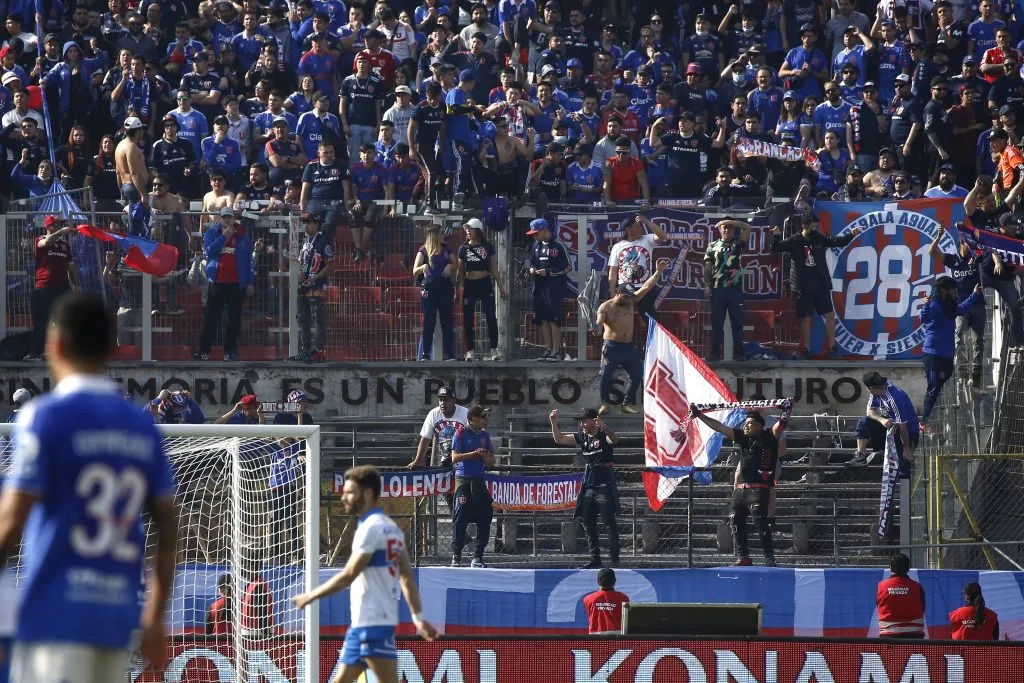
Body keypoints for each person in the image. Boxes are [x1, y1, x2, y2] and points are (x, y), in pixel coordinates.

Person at [0, 292, 178, 681]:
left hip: (54, 619)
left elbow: (10, 524)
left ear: (55, 344)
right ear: (110, 348)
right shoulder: (141, 426)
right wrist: (155, 616)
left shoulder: (44, 417)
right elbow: (167, 527)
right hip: (115, 622)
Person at [292, 466, 437, 683]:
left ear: (367, 494)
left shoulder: (370, 528)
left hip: (372, 625)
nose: (344, 498)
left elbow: (349, 574)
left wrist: (310, 596)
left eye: (349, 492)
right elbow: (406, 577)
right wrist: (418, 618)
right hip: (365, 624)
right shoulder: (392, 528)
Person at [693, 401, 792, 567]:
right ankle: (743, 557)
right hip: (740, 490)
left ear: (760, 426)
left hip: (759, 489)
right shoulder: (743, 438)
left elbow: (781, 424)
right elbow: (719, 427)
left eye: (750, 424)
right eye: (745, 424)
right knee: (735, 522)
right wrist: (699, 415)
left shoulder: (769, 436)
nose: (746, 426)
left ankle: (769, 558)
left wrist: (787, 410)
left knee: (761, 524)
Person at [771, 214, 862, 358]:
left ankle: (832, 348)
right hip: (803, 286)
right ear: (804, 226)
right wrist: (776, 235)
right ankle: (806, 349)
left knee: (830, 315)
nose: (815, 229)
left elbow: (837, 241)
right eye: (813, 226)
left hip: (821, 284)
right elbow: (776, 248)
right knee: (806, 317)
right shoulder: (795, 240)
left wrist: (851, 234)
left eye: (816, 226)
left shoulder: (818, 238)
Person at [550, 408, 620, 569]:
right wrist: (553, 422)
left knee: (609, 522)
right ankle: (595, 558)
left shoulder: (603, 434)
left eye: (585, 420)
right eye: (581, 421)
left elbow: (614, 439)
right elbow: (559, 439)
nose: (582, 424)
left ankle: (614, 558)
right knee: (588, 522)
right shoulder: (582, 436)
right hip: (588, 485)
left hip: (604, 486)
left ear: (594, 421)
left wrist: (605, 427)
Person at [596, 262, 668, 415]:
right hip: (611, 347)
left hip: (628, 347)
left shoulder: (630, 302)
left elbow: (646, 287)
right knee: (605, 375)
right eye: (625, 296)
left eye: (630, 297)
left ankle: (626, 403)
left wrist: (658, 272)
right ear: (617, 293)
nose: (629, 300)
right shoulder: (606, 307)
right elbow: (599, 323)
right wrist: (596, 328)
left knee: (637, 375)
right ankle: (604, 403)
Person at [919, 276, 984, 431]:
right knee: (934, 386)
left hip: (947, 354)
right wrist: (925, 306)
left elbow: (962, 309)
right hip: (933, 353)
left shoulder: (951, 305)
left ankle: (934, 415)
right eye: (953, 291)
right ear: (943, 290)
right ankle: (925, 421)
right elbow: (924, 318)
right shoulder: (933, 304)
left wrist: (975, 294)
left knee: (944, 380)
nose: (955, 294)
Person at [194, 206, 255, 362]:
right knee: (211, 318)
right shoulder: (212, 233)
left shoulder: (243, 237)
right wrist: (224, 237)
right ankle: (204, 352)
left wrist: (250, 282)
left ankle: (230, 352)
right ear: (220, 219)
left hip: (236, 284)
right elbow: (209, 252)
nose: (227, 220)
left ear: (234, 219)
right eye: (224, 217)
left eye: (230, 217)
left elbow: (249, 262)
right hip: (217, 283)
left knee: (234, 320)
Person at [930, 227, 986, 389]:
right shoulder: (953, 260)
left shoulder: (977, 258)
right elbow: (932, 252)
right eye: (967, 243)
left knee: (978, 341)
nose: (970, 245)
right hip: (961, 306)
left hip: (978, 304)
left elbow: (989, 251)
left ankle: (976, 373)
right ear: (962, 243)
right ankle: (962, 371)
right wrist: (938, 236)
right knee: (959, 336)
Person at [449, 405, 495, 567]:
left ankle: (478, 556)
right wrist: (474, 454)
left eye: (485, 416)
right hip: (464, 480)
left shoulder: (485, 436)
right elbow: (454, 458)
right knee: (461, 517)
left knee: (485, 515)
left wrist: (483, 456)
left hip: (479, 480)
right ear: (472, 418)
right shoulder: (460, 433)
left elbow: (491, 461)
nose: (485, 419)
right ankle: (456, 554)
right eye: (482, 416)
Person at [27, 215, 79, 360]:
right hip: (44, 287)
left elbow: (71, 266)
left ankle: (68, 352)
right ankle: (36, 353)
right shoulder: (40, 239)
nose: (59, 226)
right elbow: (45, 243)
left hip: (63, 287)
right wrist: (62, 231)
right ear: (48, 226)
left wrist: (76, 285)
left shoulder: (65, 245)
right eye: (56, 225)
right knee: (41, 320)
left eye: (61, 224)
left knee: (68, 320)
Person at [457, 218, 505, 361]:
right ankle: (470, 350)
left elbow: (494, 269)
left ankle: (493, 349)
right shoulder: (463, 248)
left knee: (491, 316)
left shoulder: (488, 247)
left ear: (478, 230)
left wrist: (501, 287)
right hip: (470, 285)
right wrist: (457, 288)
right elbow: (460, 271)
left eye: (470, 229)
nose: (468, 231)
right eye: (466, 229)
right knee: (468, 318)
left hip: (484, 283)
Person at [704, 218, 752, 361]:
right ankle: (715, 352)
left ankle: (739, 353)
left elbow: (747, 228)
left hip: (734, 289)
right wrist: (707, 285)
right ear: (719, 230)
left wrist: (731, 221)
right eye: (724, 228)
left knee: (737, 322)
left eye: (730, 228)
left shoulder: (738, 243)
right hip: (718, 289)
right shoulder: (712, 245)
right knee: (717, 322)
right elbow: (708, 267)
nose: (727, 230)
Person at [289, 212, 333, 363]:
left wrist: (314, 279)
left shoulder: (323, 242)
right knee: (303, 320)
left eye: (308, 223)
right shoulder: (305, 241)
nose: (305, 226)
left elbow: (330, 265)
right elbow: (302, 262)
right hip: (304, 287)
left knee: (318, 320)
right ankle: (306, 350)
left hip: (317, 287)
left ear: (316, 223)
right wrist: (301, 273)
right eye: (304, 223)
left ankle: (319, 351)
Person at [851, 372, 920, 470]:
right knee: (864, 421)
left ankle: (906, 473)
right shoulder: (875, 394)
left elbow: (902, 426)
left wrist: (906, 448)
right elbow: (869, 412)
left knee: (903, 465)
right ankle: (860, 455)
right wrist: (882, 420)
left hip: (907, 434)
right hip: (891, 430)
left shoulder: (894, 398)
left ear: (870, 388)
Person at [607, 214, 669, 322]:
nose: (641, 228)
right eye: (637, 226)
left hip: (645, 288)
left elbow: (662, 236)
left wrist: (646, 221)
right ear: (628, 229)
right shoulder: (617, 247)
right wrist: (612, 292)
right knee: (622, 321)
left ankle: (651, 339)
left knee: (650, 320)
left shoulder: (646, 239)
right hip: (624, 289)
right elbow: (613, 272)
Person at [527, 218, 571, 361]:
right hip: (539, 286)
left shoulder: (558, 245)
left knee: (554, 319)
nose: (534, 236)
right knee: (543, 318)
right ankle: (548, 349)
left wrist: (549, 272)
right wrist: (532, 269)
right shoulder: (536, 245)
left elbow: (568, 267)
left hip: (554, 287)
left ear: (545, 231)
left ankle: (556, 352)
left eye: (536, 233)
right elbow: (531, 262)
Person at [413, 227, 457, 362]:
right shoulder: (423, 250)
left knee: (447, 320)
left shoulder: (446, 248)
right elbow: (414, 270)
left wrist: (450, 266)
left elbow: (456, 264)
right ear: (434, 235)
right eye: (441, 233)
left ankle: (449, 354)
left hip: (444, 286)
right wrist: (423, 267)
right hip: (429, 287)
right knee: (429, 320)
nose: (443, 235)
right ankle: (426, 353)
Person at [407, 387, 469, 470]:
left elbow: (475, 436)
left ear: (454, 401)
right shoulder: (434, 414)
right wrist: (417, 461)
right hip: (441, 461)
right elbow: (425, 439)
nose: (442, 403)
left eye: (446, 400)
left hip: (463, 462)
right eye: (440, 400)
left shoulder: (465, 413)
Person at [875, 553, 926, 638]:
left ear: (891, 568)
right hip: (914, 636)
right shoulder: (917, 587)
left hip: (888, 637)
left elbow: (878, 606)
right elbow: (922, 608)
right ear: (908, 568)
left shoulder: (881, 586)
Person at [582, 568, 629, 634]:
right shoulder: (624, 598)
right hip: (618, 636)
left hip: (596, 636)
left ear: (598, 581)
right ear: (614, 581)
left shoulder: (588, 599)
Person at [115, 115, 149, 207]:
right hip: (135, 188)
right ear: (138, 131)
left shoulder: (120, 145)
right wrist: (143, 194)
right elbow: (134, 173)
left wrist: (121, 190)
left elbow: (118, 172)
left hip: (126, 186)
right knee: (136, 219)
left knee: (133, 218)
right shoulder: (131, 147)